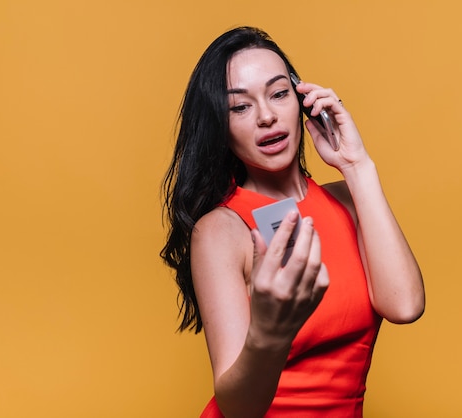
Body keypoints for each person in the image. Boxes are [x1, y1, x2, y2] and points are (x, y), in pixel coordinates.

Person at [161, 26, 425, 418]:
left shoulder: (349, 200)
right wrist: (271, 330)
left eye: (279, 93)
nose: (267, 116)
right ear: (222, 125)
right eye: (240, 107)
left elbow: (404, 305)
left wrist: (357, 165)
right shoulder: (221, 231)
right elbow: (237, 408)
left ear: (304, 103)